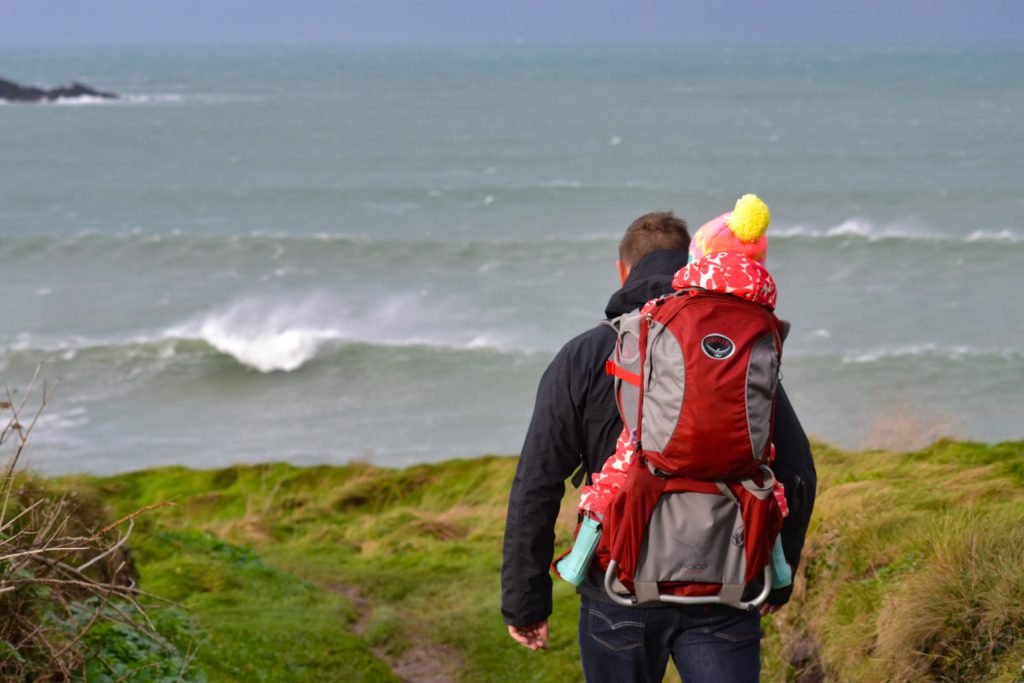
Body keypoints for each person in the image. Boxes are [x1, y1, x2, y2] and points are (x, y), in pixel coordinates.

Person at [501, 205, 816, 682]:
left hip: (617, 585)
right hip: (725, 583)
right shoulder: (732, 349)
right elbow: (796, 472)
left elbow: (538, 482)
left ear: (622, 270)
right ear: (692, 261)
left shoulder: (585, 354)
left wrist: (525, 602)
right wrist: (776, 579)